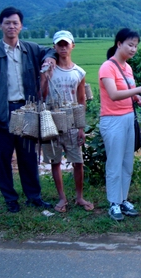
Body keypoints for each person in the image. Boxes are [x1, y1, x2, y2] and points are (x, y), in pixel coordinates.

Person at [0, 6, 56, 213]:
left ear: (21, 26)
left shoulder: (29, 49)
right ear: (1, 26)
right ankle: (10, 199)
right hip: (3, 111)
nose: (11, 26)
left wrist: (49, 58)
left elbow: (50, 49)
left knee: (28, 156)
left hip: (27, 109)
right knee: (3, 158)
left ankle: (34, 197)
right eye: (7, 23)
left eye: (15, 23)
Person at [98, 28, 141, 221]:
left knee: (126, 162)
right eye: (130, 45)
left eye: (136, 46)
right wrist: (139, 89)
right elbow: (113, 95)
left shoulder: (127, 68)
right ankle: (113, 203)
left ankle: (123, 199)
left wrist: (137, 97)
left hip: (128, 117)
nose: (133, 49)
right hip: (112, 120)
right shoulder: (108, 67)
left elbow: (128, 92)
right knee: (114, 162)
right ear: (119, 43)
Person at [40, 30, 94, 213]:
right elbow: (42, 95)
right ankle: (62, 198)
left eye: (66, 44)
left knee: (77, 161)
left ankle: (79, 197)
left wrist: (81, 127)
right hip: (51, 121)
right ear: (54, 47)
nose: (63, 47)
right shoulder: (47, 69)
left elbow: (81, 101)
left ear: (72, 46)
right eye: (59, 44)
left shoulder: (79, 72)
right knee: (55, 161)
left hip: (71, 122)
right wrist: (46, 77)